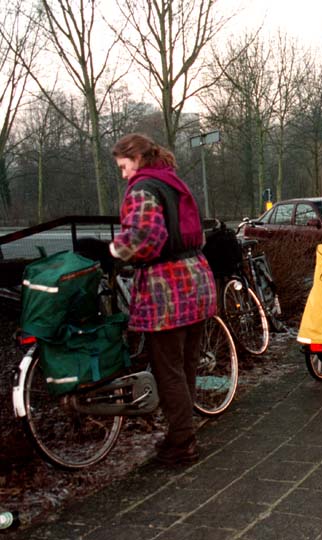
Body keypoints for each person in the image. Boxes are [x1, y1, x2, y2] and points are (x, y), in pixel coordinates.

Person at [110, 133, 217, 465]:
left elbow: (146, 237)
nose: (125, 174)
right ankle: (181, 435)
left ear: (138, 159)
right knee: (185, 367)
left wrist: (113, 251)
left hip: (167, 289)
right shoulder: (171, 181)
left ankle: (182, 444)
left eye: (124, 167)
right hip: (197, 279)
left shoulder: (143, 188)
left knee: (168, 369)